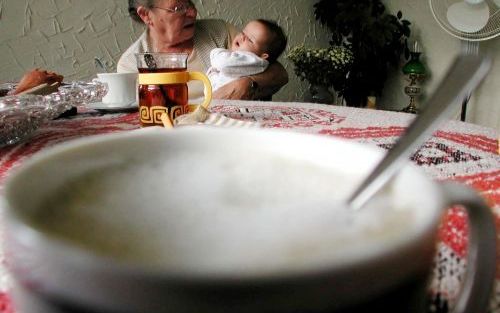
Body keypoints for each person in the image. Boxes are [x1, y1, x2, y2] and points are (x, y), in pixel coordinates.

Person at [119, 0, 288, 100]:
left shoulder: (218, 32)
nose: (193, 12)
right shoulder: (131, 65)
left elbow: (279, 72)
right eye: (178, 7)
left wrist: (246, 83)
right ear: (146, 15)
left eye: (190, 2)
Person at [207, 19, 287, 93]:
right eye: (243, 33)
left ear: (263, 56)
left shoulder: (252, 60)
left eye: (250, 40)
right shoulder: (250, 63)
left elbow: (221, 63)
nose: (242, 37)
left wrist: (215, 52)